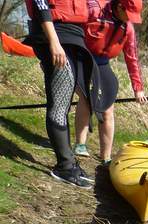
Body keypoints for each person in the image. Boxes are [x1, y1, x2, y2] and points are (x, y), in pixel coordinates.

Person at [23, 0, 101, 188]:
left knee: (64, 103)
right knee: (59, 104)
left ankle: (69, 163)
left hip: (74, 36)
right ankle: (64, 166)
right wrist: (54, 42)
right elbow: (40, 4)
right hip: (56, 35)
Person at [73, 0, 146, 166]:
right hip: (82, 58)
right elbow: (73, 28)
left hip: (103, 63)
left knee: (108, 109)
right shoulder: (94, 10)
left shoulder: (127, 28)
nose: (130, 20)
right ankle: (80, 144)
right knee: (86, 98)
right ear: (120, 6)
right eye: (128, 14)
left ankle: (105, 157)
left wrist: (138, 88)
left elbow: (132, 57)